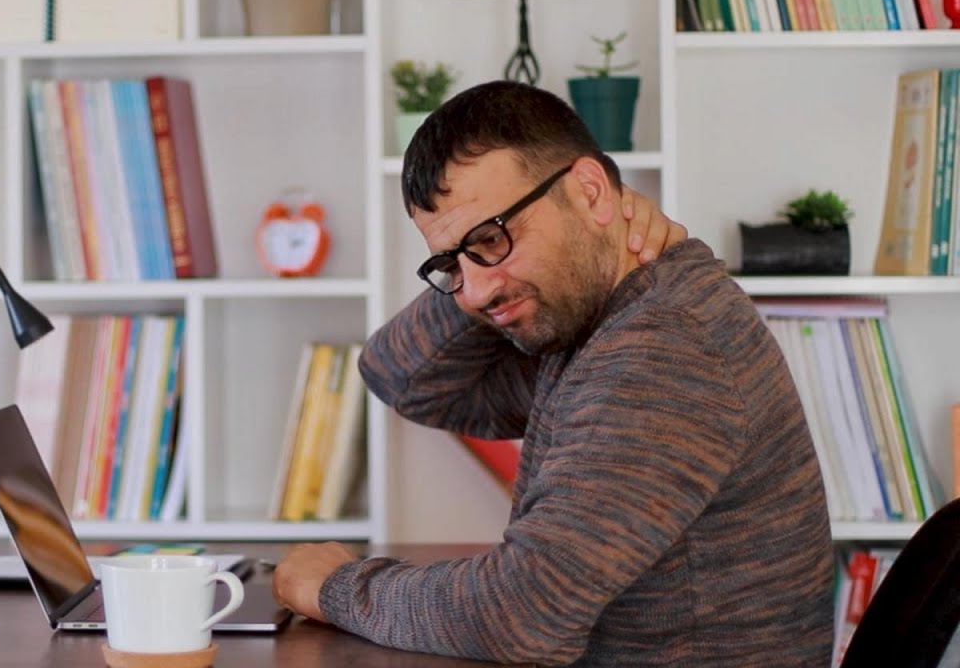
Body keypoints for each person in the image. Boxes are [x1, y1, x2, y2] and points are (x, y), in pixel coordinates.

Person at [272, 80, 833, 665]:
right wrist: (480, 262)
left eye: (493, 237)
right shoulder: (589, 323)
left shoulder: (662, 346)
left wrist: (333, 587)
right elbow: (400, 376)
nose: (473, 292)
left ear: (589, 190)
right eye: (448, 263)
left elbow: (523, 617)